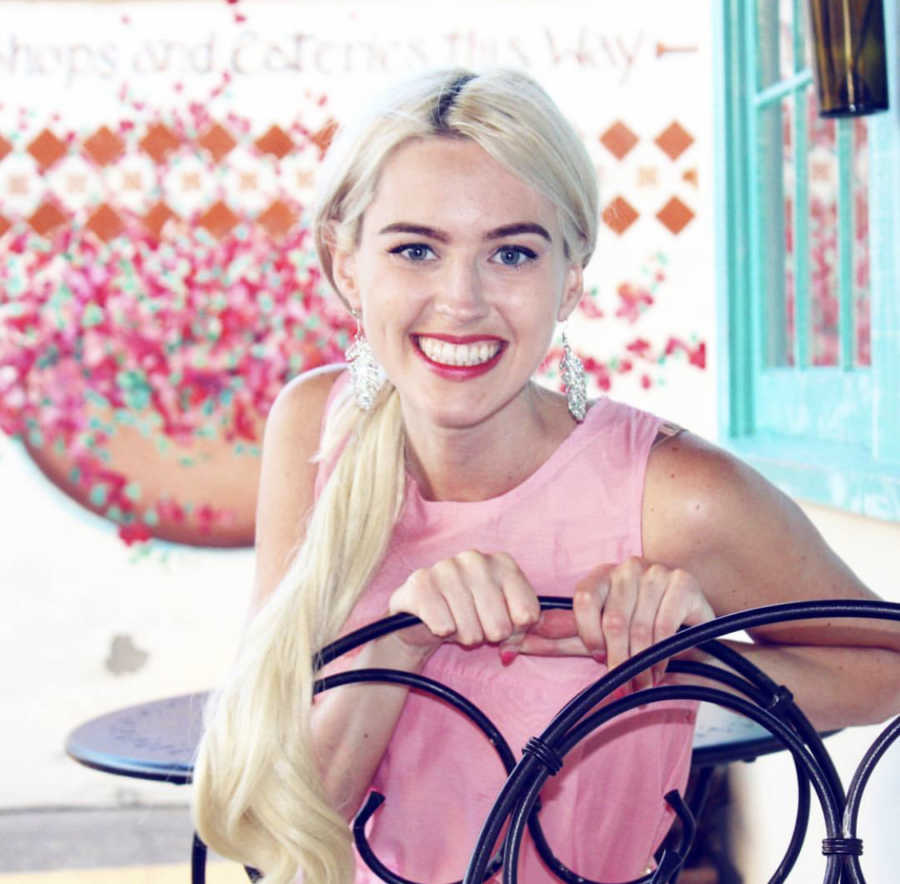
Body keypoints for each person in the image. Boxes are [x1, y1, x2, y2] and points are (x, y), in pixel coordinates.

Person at [191, 68, 900, 884]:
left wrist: (683, 663)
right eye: (415, 249)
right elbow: (282, 819)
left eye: (512, 253)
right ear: (346, 264)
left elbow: (885, 668)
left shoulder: (674, 493)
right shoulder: (316, 427)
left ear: (569, 279)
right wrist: (403, 637)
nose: (461, 301)